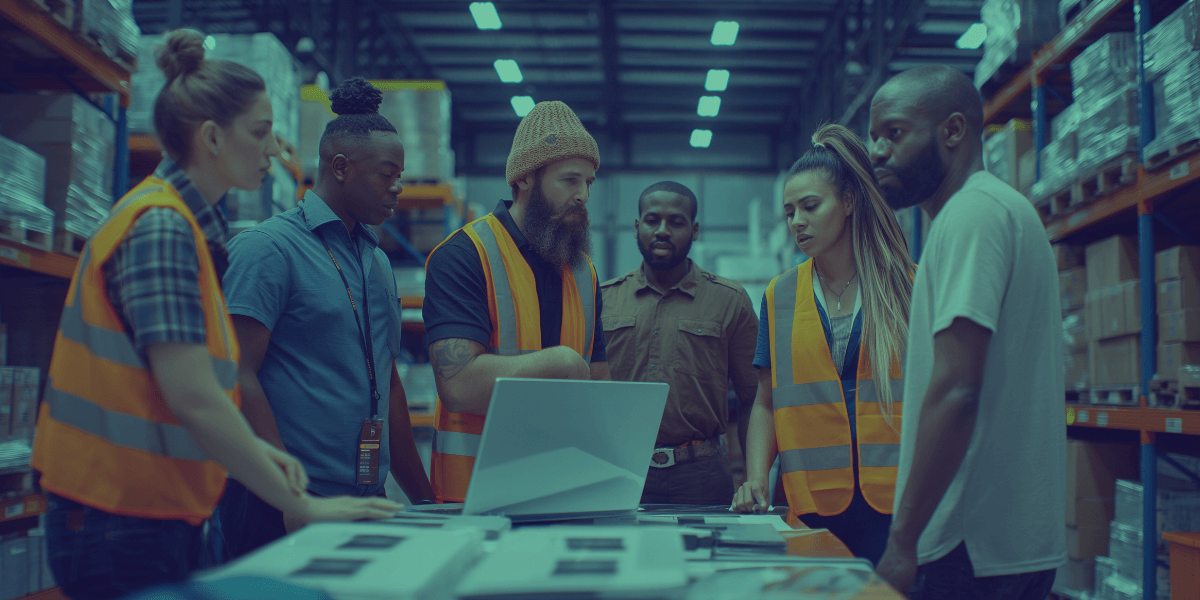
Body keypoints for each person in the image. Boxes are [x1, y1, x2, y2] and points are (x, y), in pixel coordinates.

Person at [29, 31, 400, 600]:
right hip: (116, 515)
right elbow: (195, 396)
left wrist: (267, 457)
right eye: (259, 132)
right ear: (211, 138)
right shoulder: (161, 229)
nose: (275, 148)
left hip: (147, 508)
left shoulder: (187, 229)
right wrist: (297, 503)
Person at [868, 65, 1065, 599]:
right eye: (873, 136)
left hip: (969, 546)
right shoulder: (999, 210)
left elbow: (957, 388)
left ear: (952, 131)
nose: (877, 151)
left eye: (894, 132)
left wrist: (903, 542)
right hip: (1006, 543)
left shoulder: (971, 216)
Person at [216, 77, 434, 560]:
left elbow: (388, 382)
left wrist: (427, 503)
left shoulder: (376, 263)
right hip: (276, 505)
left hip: (362, 500)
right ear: (341, 167)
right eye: (387, 174)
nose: (398, 188)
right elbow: (236, 374)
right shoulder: (268, 250)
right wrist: (287, 494)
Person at [732, 124, 914, 567]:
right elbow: (766, 400)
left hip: (896, 505)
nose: (797, 222)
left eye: (810, 207)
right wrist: (756, 476)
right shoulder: (780, 295)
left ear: (848, 202)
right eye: (790, 211)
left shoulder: (908, 286)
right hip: (809, 504)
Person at [422, 100, 609, 503]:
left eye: (589, 182)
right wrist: (559, 363)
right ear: (525, 178)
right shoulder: (464, 255)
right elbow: (457, 385)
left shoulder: (583, 271)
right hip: (475, 499)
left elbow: (599, 385)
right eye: (570, 180)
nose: (583, 195)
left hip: (564, 493)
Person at [601, 181, 758, 506]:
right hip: (617, 470)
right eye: (652, 220)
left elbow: (754, 400)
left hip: (702, 475)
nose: (662, 230)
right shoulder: (602, 301)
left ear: (695, 229)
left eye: (676, 222)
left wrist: (756, 479)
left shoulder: (730, 302)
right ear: (636, 227)